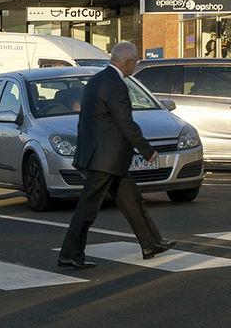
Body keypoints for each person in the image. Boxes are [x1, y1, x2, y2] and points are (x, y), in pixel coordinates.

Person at [58, 41, 175, 269]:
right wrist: (147, 150)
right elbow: (125, 122)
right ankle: (70, 254)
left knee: (132, 200)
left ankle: (151, 243)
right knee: (87, 209)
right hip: (107, 159)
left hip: (102, 156)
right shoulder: (117, 85)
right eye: (136, 61)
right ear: (128, 62)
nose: (136, 65)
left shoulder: (96, 80)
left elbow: (86, 120)